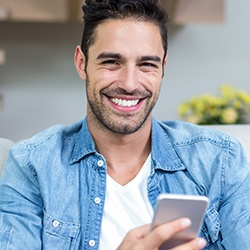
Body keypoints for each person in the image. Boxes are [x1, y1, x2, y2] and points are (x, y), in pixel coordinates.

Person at [0, 0, 249, 249]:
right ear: (81, 62)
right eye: (111, 62)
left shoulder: (220, 161)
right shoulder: (33, 166)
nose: (130, 84)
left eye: (147, 64)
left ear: (163, 67)